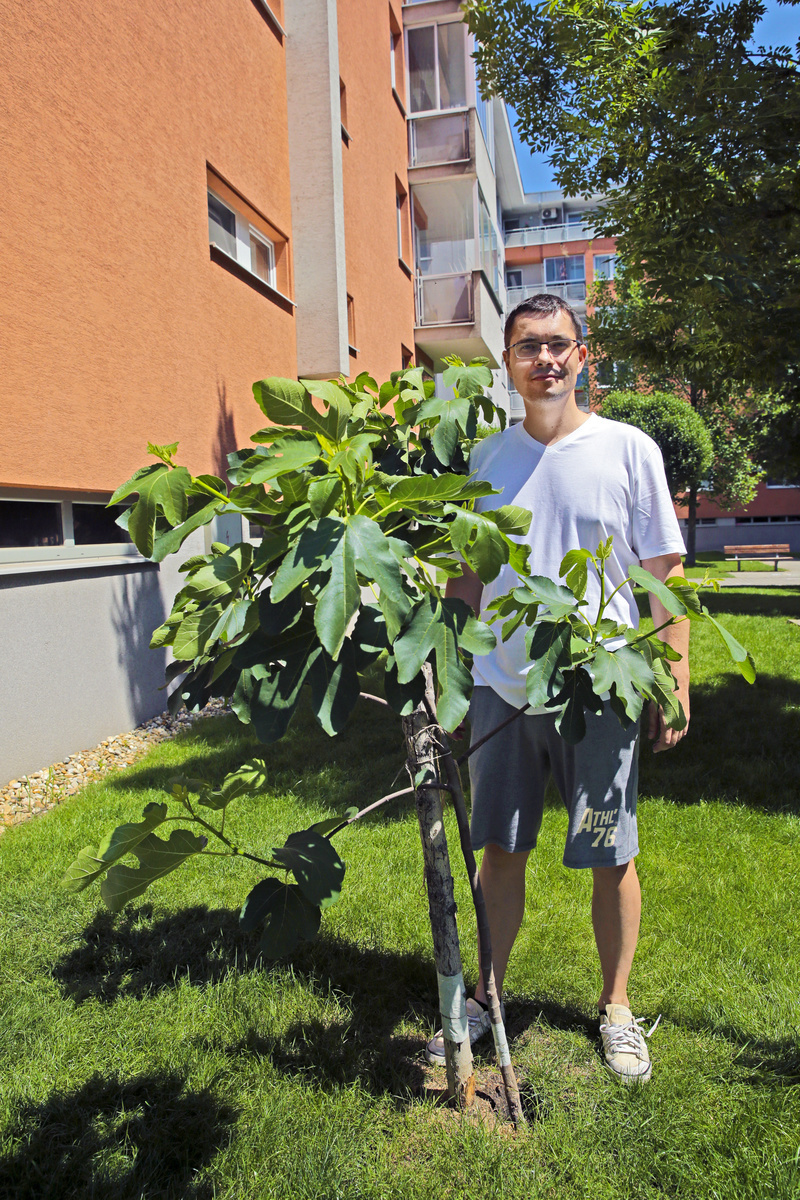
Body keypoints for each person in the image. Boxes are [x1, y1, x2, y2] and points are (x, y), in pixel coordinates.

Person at [426, 294, 689, 1083]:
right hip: (502, 688)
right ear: (505, 364)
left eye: (557, 345)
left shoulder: (628, 448)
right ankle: (489, 996)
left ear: (583, 358)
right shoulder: (485, 461)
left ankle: (616, 1009)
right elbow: (467, 576)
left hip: (596, 686)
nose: (544, 359)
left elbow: (663, 573)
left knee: (612, 852)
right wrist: (445, 677)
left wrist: (672, 675)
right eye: (526, 347)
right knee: (498, 851)